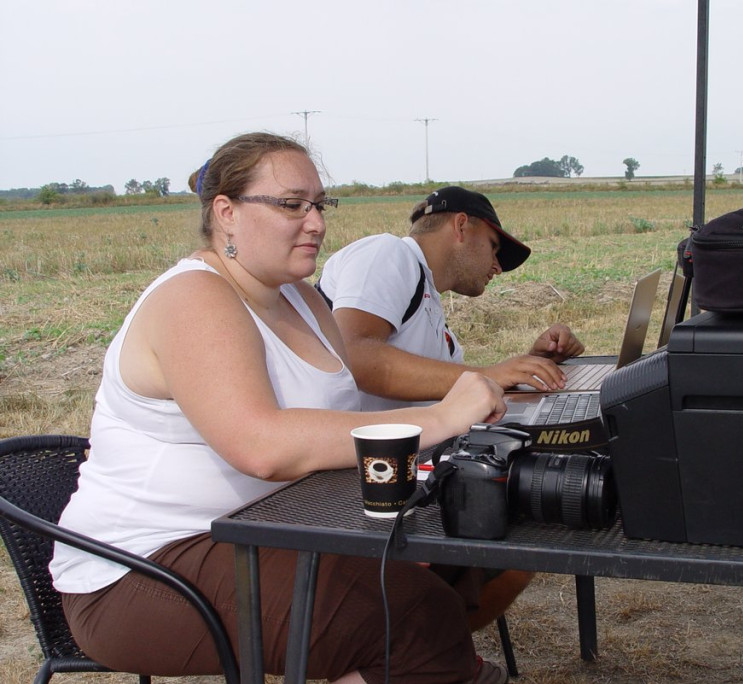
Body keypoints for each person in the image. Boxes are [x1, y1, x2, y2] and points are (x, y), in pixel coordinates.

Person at [49, 132, 509, 684]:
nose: (315, 222)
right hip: (143, 569)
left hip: (271, 532)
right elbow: (262, 445)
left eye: (320, 205)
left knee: (466, 560)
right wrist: (439, 417)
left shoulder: (305, 299)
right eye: (292, 205)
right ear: (227, 213)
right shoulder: (193, 298)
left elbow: (333, 427)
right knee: (412, 619)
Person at [317, 185, 586, 413]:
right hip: (336, 468)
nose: (497, 267)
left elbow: (458, 390)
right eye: (494, 247)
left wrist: (530, 365)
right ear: (461, 226)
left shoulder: (435, 318)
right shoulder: (388, 252)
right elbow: (353, 353)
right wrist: (490, 374)